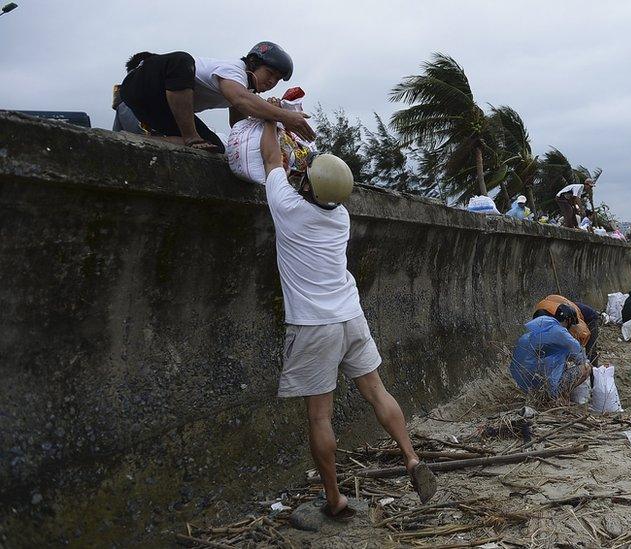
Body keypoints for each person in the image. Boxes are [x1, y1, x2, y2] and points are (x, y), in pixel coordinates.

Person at [258, 121, 435, 520]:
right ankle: (410, 458)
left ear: (308, 187)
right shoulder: (340, 218)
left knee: (320, 416)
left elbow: (271, 156)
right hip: (351, 317)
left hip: (313, 325)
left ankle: (335, 498)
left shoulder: (287, 207)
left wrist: (270, 116)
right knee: (377, 392)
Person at [117, 42, 315, 153]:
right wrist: (284, 116)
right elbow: (241, 100)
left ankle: (142, 141)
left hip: (160, 108)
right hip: (142, 86)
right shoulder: (234, 71)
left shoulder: (246, 90)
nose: (272, 82)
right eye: (270, 73)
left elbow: (238, 125)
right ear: (253, 63)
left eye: (278, 79)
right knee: (182, 61)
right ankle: (190, 137)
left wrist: (270, 124)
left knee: (216, 148)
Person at [510, 304, 592, 400]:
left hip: (523, 384)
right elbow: (579, 356)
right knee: (586, 368)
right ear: (568, 321)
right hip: (543, 387)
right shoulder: (561, 333)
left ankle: (551, 394)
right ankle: (557, 397)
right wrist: (589, 365)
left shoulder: (543, 325)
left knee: (560, 359)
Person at [573, 301, 601, 365]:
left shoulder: (568, 313)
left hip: (591, 319)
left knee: (590, 348)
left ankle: (593, 371)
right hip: (582, 317)